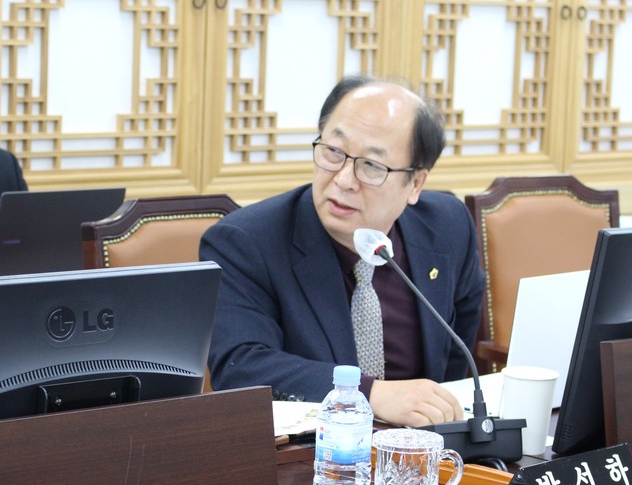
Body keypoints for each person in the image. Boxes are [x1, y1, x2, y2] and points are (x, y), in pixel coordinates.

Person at [200, 75, 485, 427]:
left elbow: (457, 355)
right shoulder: (246, 242)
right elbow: (241, 367)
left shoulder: (447, 226)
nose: (344, 180)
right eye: (333, 152)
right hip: (311, 447)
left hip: (420, 444)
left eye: (372, 166)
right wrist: (369, 394)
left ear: (415, 184)